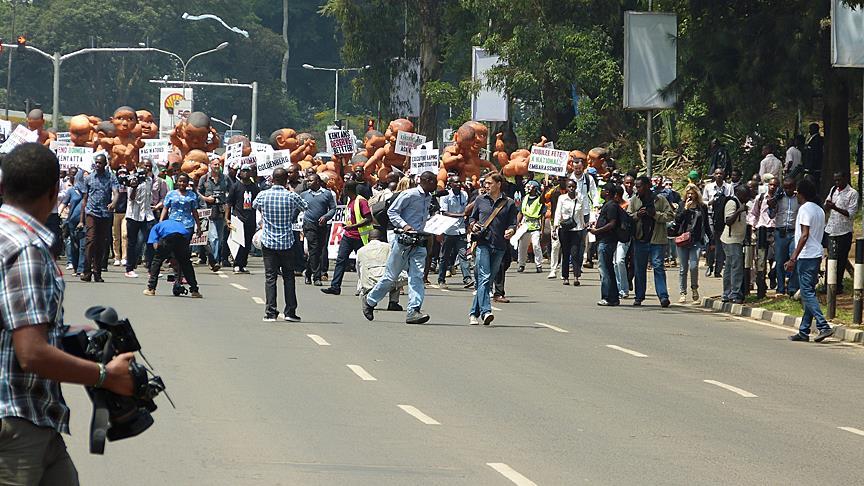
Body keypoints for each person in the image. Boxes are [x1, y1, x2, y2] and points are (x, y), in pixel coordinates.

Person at [0, 144, 134, 485]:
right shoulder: (27, 249)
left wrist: (64, 333)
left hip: (36, 418)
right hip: (16, 422)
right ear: (54, 191)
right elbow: (30, 353)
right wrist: (106, 375)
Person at [362, 171, 438, 324]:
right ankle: (369, 301)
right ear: (427, 181)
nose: (436, 185)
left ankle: (413, 311)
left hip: (419, 241)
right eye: (434, 181)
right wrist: (405, 226)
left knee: (417, 277)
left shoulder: (429, 197)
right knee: (391, 277)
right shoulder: (409, 195)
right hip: (403, 242)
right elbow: (392, 212)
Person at [253, 167, 307, 322]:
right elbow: (305, 207)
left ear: (273, 180)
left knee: (270, 277)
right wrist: (289, 189)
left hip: (268, 241)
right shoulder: (290, 196)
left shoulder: (264, 195)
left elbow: (255, 205)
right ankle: (290, 312)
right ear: (285, 181)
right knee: (289, 277)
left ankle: (270, 312)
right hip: (286, 242)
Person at [467, 172, 518, 324]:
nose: (486, 186)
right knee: (483, 276)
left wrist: (511, 230)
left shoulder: (508, 203)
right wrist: (473, 225)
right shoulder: (480, 200)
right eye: (485, 183)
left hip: (500, 245)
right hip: (483, 243)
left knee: (488, 280)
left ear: (498, 184)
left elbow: (513, 223)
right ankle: (486, 311)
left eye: (489, 183)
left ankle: (473, 313)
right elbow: (471, 218)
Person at [787, 179, 833, 342]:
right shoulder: (819, 209)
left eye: (797, 192)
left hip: (806, 255)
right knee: (808, 291)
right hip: (815, 254)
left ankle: (823, 325)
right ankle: (804, 330)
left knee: (806, 292)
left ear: (801, 193)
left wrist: (793, 257)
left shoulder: (805, 209)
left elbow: (804, 234)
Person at [628, 176, 675, 307]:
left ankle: (663, 296)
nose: (637, 189)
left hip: (657, 239)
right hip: (640, 239)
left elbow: (670, 215)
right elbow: (628, 216)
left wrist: (655, 214)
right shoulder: (634, 200)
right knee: (639, 269)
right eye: (636, 187)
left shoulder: (660, 199)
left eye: (640, 186)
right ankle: (639, 296)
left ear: (648, 186)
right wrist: (638, 215)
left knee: (658, 267)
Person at [322, 180, 373, 295]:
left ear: (348, 190)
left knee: (362, 263)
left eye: (344, 188)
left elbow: (368, 218)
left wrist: (353, 226)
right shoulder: (350, 201)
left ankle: (365, 288)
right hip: (348, 236)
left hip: (359, 236)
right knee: (340, 260)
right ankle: (335, 287)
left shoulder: (361, 201)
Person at [79, 153, 118, 283]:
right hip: (91, 212)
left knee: (101, 244)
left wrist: (113, 203)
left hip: (105, 214)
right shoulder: (89, 178)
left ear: (105, 164)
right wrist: (81, 219)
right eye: (96, 162)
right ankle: (86, 272)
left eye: (100, 163)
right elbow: (84, 199)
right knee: (90, 241)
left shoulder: (111, 177)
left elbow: (116, 192)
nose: (98, 165)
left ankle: (97, 272)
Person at [672, 183, 712, 303]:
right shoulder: (681, 204)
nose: (690, 195)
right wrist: (685, 209)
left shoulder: (701, 207)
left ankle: (694, 289)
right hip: (683, 239)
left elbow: (706, 224)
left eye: (692, 193)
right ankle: (682, 292)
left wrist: (711, 239)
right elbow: (677, 220)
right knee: (683, 268)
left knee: (694, 267)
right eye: (688, 193)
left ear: (696, 194)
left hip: (696, 240)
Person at [143, 219, 202, 298]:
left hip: (168, 238)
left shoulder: (156, 227)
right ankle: (195, 291)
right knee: (186, 264)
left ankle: (151, 288)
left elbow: (155, 245)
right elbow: (185, 237)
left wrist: (162, 254)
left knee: (156, 261)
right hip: (181, 238)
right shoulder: (179, 224)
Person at [823, 171, 858, 292]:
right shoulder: (833, 190)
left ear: (845, 179)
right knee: (830, 258)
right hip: (831, 229)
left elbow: (851, 214)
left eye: (839, 180)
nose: (837, 183)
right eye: (835, 180)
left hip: (844, 231)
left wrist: (835, 208)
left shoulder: (852, 193)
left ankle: (838, 285)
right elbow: (826, 205)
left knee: (842, 259)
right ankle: (828, 284)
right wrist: (827, 206)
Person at [300, 173, 336, 286]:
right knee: (313, 248)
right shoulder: (304, 194)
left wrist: (326, 217)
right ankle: (316, 277)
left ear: (318, 182)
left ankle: (308, 272)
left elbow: (333, 208)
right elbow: (297, 208)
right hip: (309, 225)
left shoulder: (327, 194)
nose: (308, 182)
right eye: (308, 181)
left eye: (311, 181)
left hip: (322, 226)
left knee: (319, 251)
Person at [589, 184, 622, 306]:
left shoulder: (612, 206)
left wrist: (597, 231)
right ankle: (613, 297)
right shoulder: (607, 205)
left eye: (603, 190)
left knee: (604, 270)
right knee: (608, 268)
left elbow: (612, 223)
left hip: (607, 241)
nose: (601, 192)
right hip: (604, 241)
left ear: (607, 192)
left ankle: (607, 296)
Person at [437, 176, 472, 289]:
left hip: (460, 230)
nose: (458, 183)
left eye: (459, 181)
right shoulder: (445, 195)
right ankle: (441, 279)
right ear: (450, 184)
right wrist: (461, 215)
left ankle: (467, 278)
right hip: (448, 230)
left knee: (463, 255)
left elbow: (466, 209)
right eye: (455, 182)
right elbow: (445, 212)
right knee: (445, 256)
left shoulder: (464, 194)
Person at [768, 177, 800, 297]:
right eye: (785, 187)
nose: (788, 190)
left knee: (793, 258)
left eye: (790, 187)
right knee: (780, 261)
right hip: (780, 233)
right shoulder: (779, 199)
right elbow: (771, 215)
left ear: (794, 187)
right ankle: (780, 288)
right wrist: (772, 203)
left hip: (793, 233)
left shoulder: (798, 199)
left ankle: (792, 287)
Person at [357, 229, 404, 311]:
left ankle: (369, 299)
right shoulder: (388, 247)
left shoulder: (361, 250)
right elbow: (395, 263)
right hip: (386, 282)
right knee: (396, 274)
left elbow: (358, 269)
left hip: (368, 283)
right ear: (381, 238)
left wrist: (361, 283)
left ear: (368, 238)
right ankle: (393, 302)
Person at [226, 164, 260, 274]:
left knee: (247, 243)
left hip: (250, 218)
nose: (245, 173)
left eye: (247, 171)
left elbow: (258, 204)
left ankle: (243, 264)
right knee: (238, 242)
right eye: (243, 171)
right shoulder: (235, 186)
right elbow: (229, 203)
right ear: (240, 173)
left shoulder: (255, 187)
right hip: (238, 218)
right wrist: (227, 218)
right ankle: (236, 264)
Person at [721, 184, 752, 303]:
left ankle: (726, 293)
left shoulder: (742, 204)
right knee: (736, 267)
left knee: (729, 267)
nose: (747, 198)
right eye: (745, 196)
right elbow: (728, 221)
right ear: (739, 194)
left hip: (738, 239)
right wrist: (739, 211)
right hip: (731, 240)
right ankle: (735, 294)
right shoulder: (732, 203)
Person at [197, 158, 230, 272]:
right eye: (215, 164)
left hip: (220, 211)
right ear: (210, 165)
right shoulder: (204, 178)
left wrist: (226, 200)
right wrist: (206, 198)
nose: (217, 166)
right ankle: (214, 261)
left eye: (218, 164)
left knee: (220, 238)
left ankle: (214, 259)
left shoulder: (225, 178)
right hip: (208, 210)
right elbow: (198, 192)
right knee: (213, 237)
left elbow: (231, 191)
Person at [124, 162, 155, 278]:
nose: (146, 168)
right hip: (134, 215)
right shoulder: (132, 179)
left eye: (148, 167)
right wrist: (134, 186)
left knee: (151, 241)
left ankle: (151, 268)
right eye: (144, 166)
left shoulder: (149, 180)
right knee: (132, 242)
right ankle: (129, 268)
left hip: (147, 215)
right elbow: (131, 198)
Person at [748, 175, 778, 298]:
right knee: (760, 258)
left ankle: (773, 274)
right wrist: (753, 225)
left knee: (776, 257)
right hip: (762, 229)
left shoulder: (781, 199)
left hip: (776, 229)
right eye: (771, 185)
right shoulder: (760, 198)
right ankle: (761, 286)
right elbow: (753, 213)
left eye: (775, 185)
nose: (772, 187)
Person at [553, 179, 585, 286]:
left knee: (575, 253)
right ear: (566, 188)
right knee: (565, 253)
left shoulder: (580, 198)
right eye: (569, 187)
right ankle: (565, 277)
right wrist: (555, 227)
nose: (571, 189)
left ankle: (576, 276)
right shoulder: (562, 198)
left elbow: (581, 214)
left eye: (573, 187)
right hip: (564, 229)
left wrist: (583, 226)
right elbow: (558, 213)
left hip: (576, 230)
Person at [702, 168, 733, 277]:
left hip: (723, 217)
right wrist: (710, 202)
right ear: (714, 175)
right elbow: (703, 201)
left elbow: (732, 200)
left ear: (724, 175)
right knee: (711, 241)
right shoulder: (708, 187)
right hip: (711, 215)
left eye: (721, 174)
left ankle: (718, 269)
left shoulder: (729, 187)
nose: (719, 175)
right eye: (717, 173)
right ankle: (710, 265)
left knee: (721, 243)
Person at [516, 180, 545, 273]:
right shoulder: (524, 198)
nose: (527, 188)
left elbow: (543, 216)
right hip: (524, 225)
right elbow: (520, 212)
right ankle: (521, 264)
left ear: (535, 189)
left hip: (535, 225)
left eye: (530, 186)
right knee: (522, 246)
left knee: (536, 245)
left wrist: (542, 230)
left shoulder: (539, 200)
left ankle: (539, 264)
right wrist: (517, 223)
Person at [545, 176, 569, 279]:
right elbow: (543, 200)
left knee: (565, 247)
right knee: (555, 246)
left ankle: (564, 270)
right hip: (555, 221)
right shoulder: (553, 191)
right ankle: (553, 269)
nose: (562, 182)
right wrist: (545, 189)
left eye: (564, 180)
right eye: (560, 180)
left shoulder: (571, 190)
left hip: (568, 223)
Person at [111, 168, 129, 267]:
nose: (122, 174)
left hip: (125, 212)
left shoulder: (129, 185)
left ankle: (124, 257)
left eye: (124, 173)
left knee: (124, 235)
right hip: (116, 212)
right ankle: (116, 257)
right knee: (115, 236)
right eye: (120, 173)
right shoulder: (115, 185)